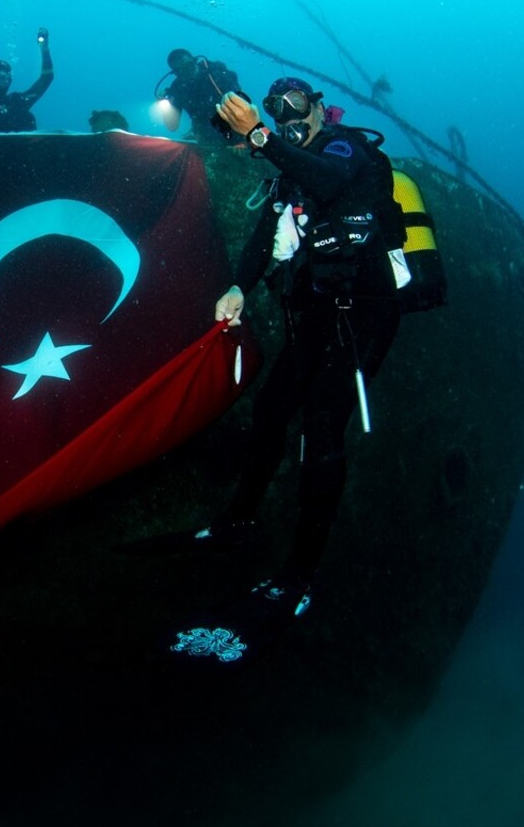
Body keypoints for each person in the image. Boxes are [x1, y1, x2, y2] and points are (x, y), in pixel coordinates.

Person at [181, 78, 408, 649]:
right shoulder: (289, 174)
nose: (285, 115)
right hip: (314, 320)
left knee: (321, 430)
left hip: (362, 317)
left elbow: (331, 180)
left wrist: (258, 135)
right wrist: (238, 286)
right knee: (271, 408)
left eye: (294, 105)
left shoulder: (343, 147)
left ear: (316, 109)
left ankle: (300, 575)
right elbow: (264, 238)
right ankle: (239, 518)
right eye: (275, 108)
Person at [157, 48, 240, 144]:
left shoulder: (214, 73)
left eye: (187, 66)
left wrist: (240, 139)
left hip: (232, 128)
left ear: (194, 61)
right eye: (180, 71)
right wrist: (165, 103)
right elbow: (172, 126)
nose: (186, 72)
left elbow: (240, 103)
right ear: (175, 73)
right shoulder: (178, 88)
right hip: (203, 135)